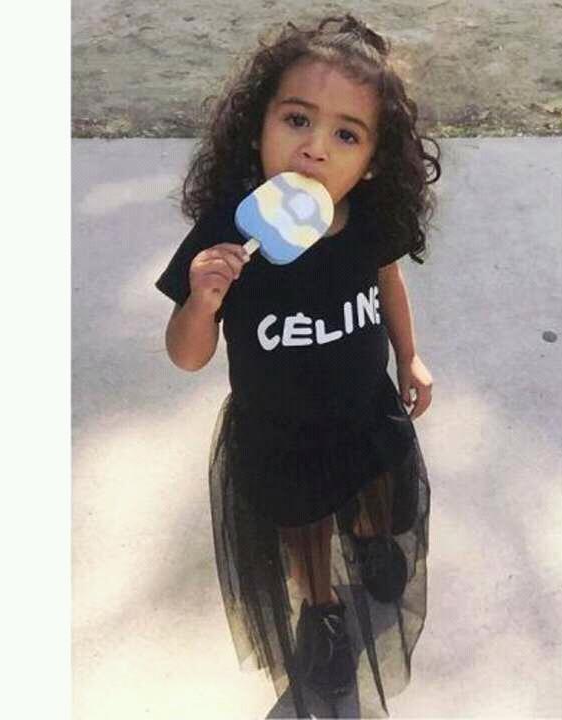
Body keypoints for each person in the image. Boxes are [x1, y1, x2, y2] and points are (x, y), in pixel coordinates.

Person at [155, 14, 440, 718]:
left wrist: (410, 355)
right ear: (258, 127)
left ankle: (369, 543)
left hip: (364, 410)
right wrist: (202, 300)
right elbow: (187, 355)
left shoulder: (366, 220)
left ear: (372, 162)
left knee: (372, 492)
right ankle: (321, 608)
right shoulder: (228, 233)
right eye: (296, 119)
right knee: (304, 529)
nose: (314, 147)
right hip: (280, 431)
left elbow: (388, 283)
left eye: (346, 134)